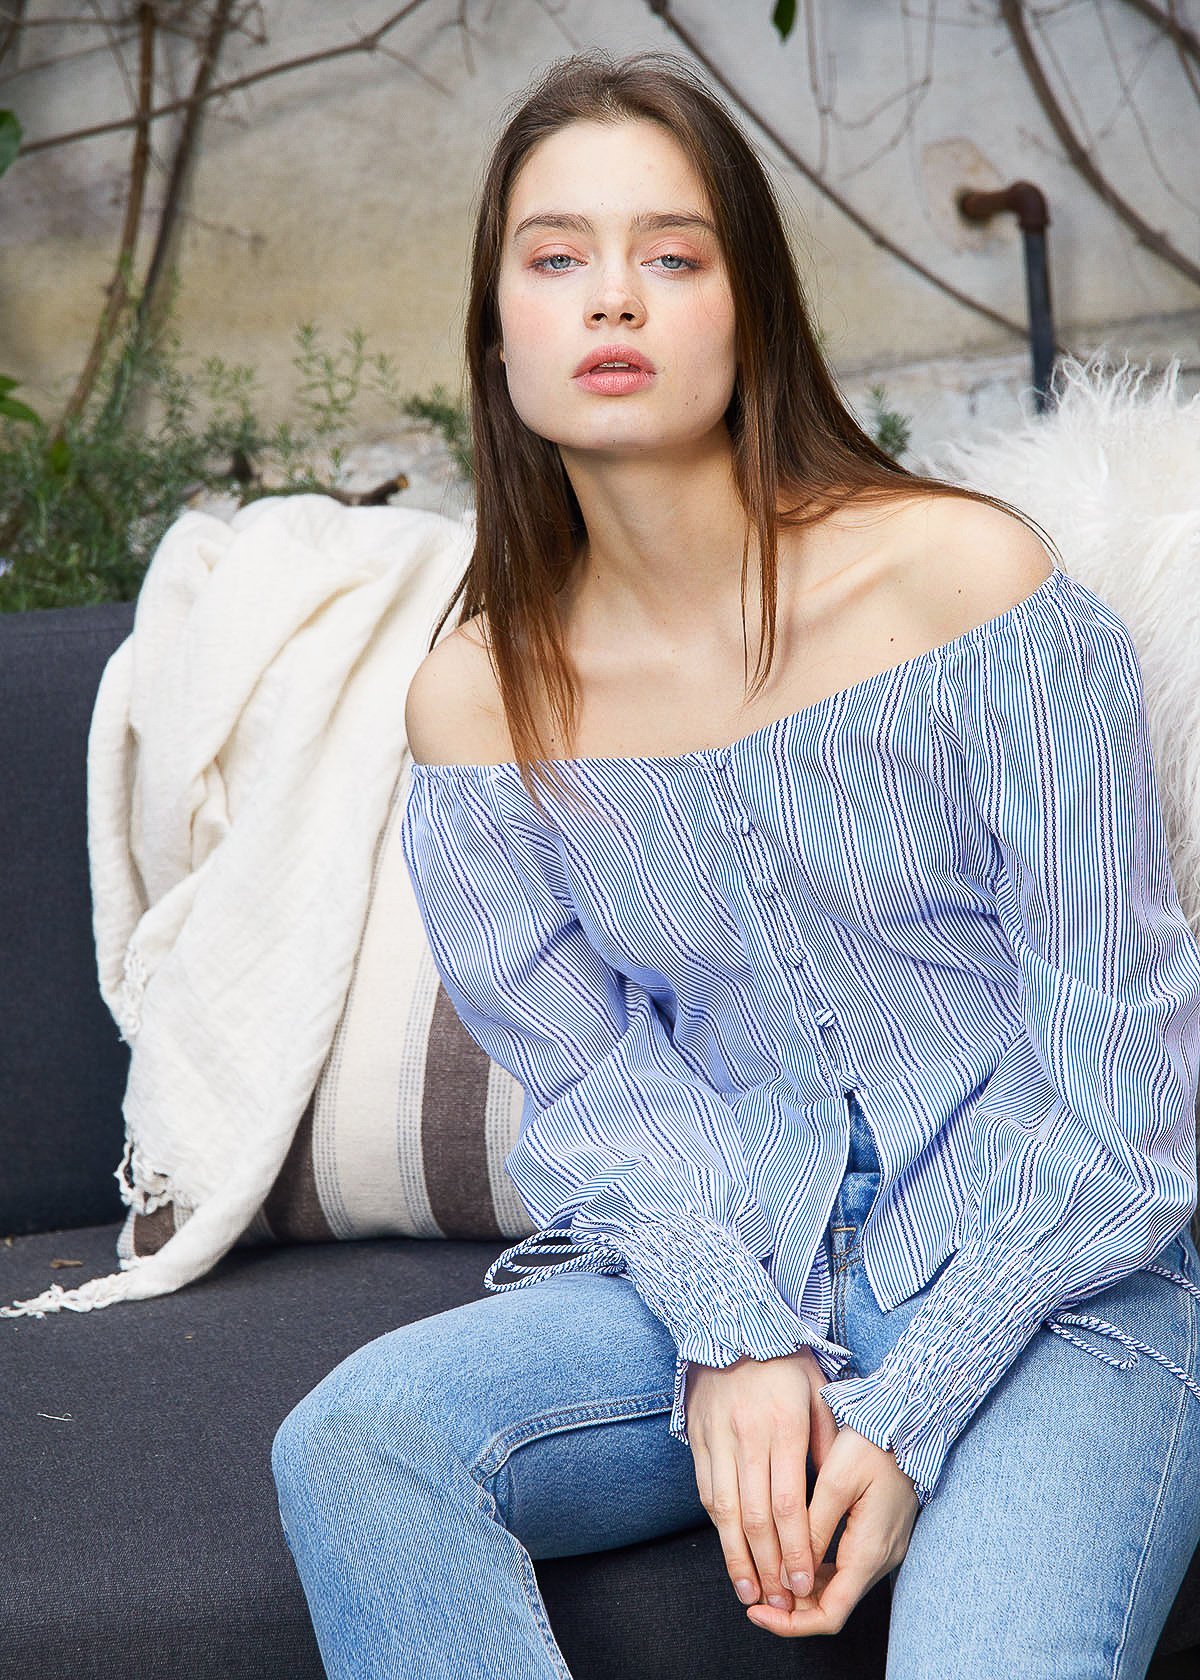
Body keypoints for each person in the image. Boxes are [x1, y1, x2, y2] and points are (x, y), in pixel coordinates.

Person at [270, 49, 1200, 1679]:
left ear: (748, 309)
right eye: (556, 259)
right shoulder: (479, 702)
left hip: (1066, 1282)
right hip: (737, 1263)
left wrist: (909, 1408)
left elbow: (1122, 1071)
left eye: (671, 256)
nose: (611, 299)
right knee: (359, 1444)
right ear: (497, 338)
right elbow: (595, 1084)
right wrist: (733, 1330)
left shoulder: (973, 587)